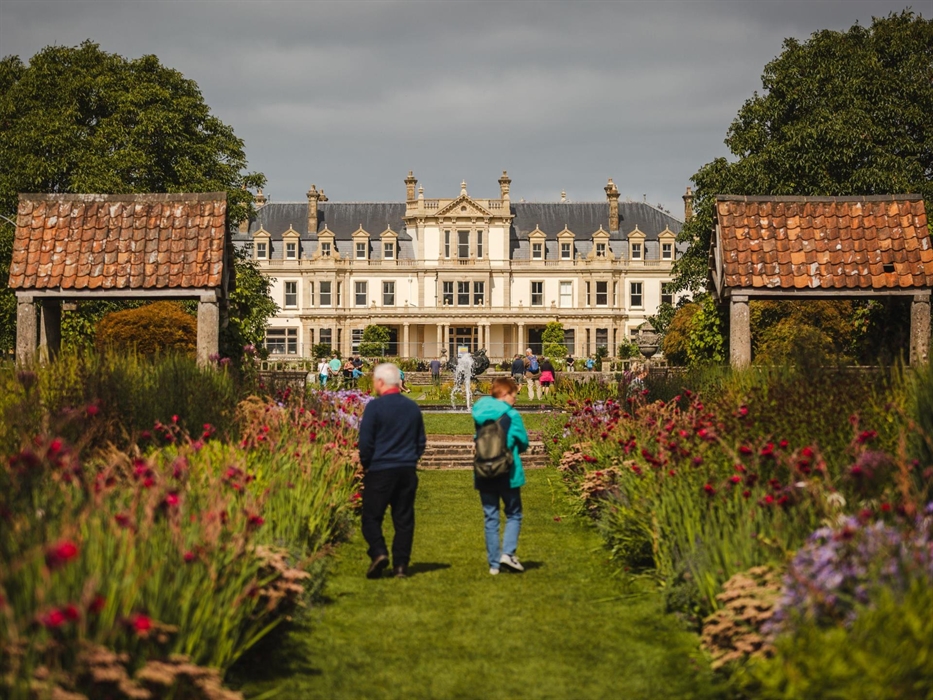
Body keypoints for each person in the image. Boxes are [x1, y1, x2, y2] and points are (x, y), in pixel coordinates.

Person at [357, 363, 426, 579]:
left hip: (380, 468)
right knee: (404, 519)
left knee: (370, 516)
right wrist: (411, 459)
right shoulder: (412, 408)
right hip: (406, 469)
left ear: (379, 382)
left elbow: (365, 442)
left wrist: (367, 463)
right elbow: (420, 441)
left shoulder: (375, 408)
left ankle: (378, 551)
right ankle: (401, 566)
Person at [472, 377, 529, 575]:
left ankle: (494, 565)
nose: (516, 399)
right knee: (513, 513)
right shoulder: (512, 416)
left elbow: (477, 439)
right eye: (514, 395)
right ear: (505, 394)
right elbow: (522, 442)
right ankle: (508, 554)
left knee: (491, 516)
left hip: (484, 471)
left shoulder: (480, 414)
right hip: (508, 471)